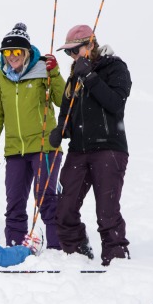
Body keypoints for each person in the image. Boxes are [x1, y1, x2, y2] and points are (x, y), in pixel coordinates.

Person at [48, 24, 133, 266]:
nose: (72, 57)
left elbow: (115, 103)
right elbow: (66, 110)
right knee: (64, 209)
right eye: (69, 53)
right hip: (78, 150)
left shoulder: (115, 67)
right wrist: (60, 130)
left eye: (76, 51)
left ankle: (116, 258)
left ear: (91, 44)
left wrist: (91, 77)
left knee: (107, 211)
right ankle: (77, 254)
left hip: (109, 148)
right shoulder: (75, 75)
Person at [0, 22, 64, 249]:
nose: (12, 56)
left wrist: (55, 73)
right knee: (15, 202)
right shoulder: (0, 78)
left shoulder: (43, 71)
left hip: (44, 146)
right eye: (7, 52)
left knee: (45, 198)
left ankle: (59, 247)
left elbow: (62, 101)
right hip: (15, 150)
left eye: (17, 51)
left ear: (27, 52)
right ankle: (15, 246)